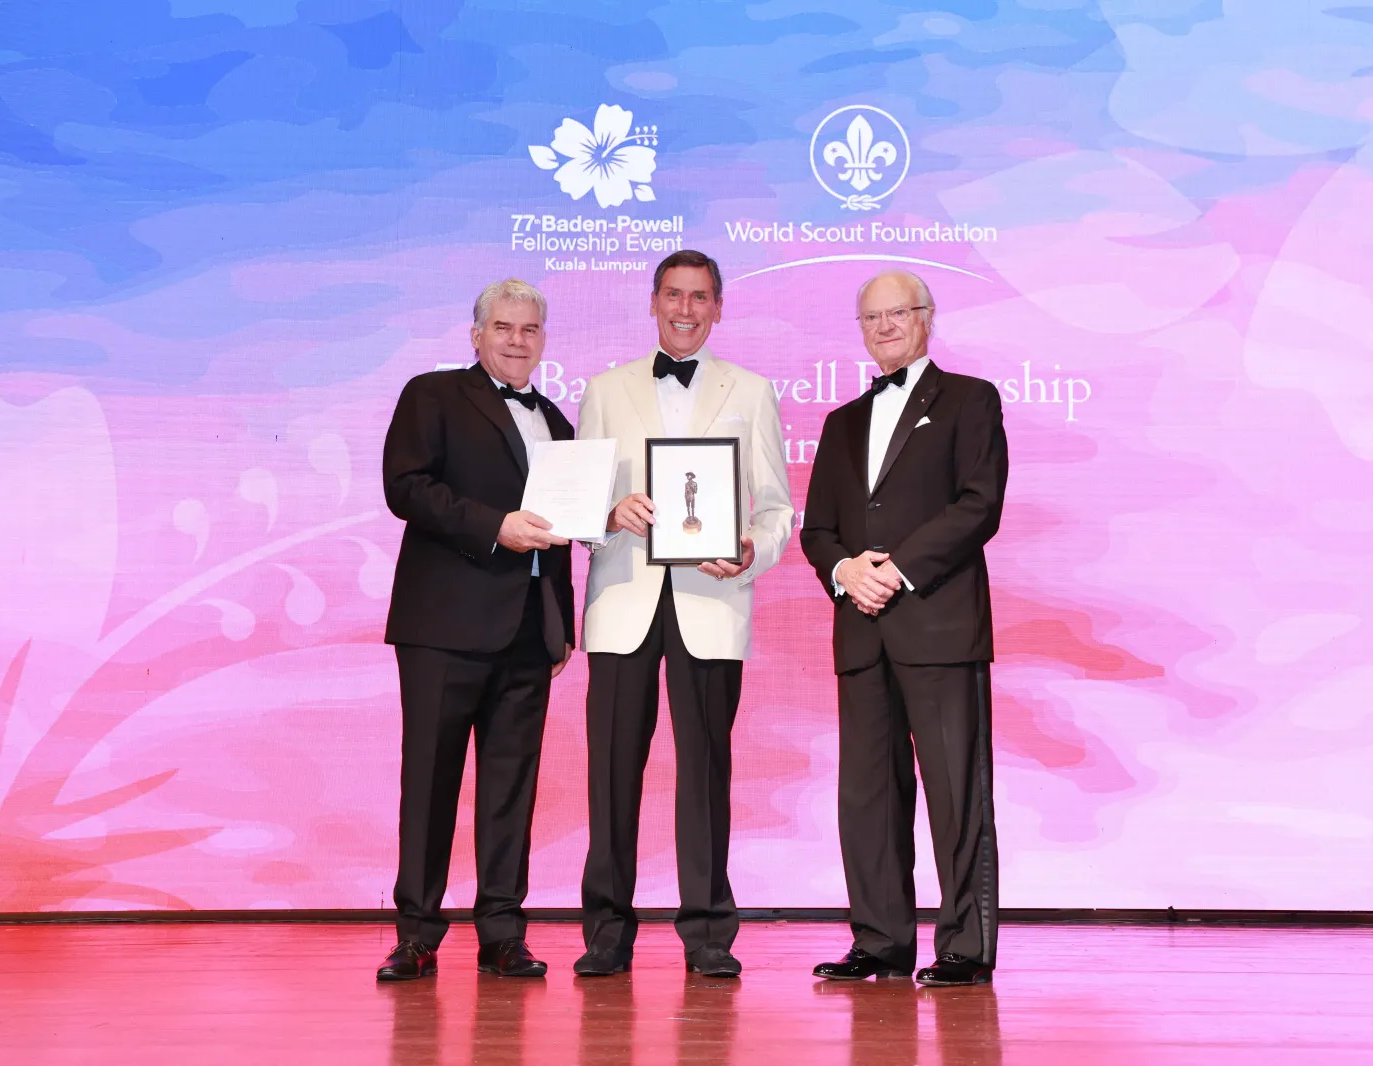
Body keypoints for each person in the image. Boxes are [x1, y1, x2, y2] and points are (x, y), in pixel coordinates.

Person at [572, 249, 793, 978]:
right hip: (622, 601)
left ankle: (707, 934)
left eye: (700, 297)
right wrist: (608, 514)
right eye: (673, 294)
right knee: (612, 773)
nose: (685, 309)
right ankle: (606, 931)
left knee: (705, 772)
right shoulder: (604, 390)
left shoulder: (751, 391)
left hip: (711, 598)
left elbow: (776, 508)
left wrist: (749, 551)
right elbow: (578, 505)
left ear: (718, 307)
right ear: (653, 301)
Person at [799, 269, 1008, 987]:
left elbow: (978, 504)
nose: (885, 326)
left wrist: (897, 570)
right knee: (867, 797)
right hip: (861, 632)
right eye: (871, 317)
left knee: (956, 793)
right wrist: (844, 570)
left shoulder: (970, 400)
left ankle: (964, 948)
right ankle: (880, 942)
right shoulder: (841, 422)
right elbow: (818, 529)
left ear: (926, 317)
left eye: (898, 312)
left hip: (939, 625)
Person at [376, 278, 575, 981]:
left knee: (512, 787)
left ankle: (502, 932)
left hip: (528, 629)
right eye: (503, 327)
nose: (517, 340)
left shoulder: (557, 421)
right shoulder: (431, 395)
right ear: (476, 335)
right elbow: (405, 486)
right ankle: (416, 933)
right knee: (429, 781)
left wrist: (561, 623)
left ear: (543, 339)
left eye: (529, 329)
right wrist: (495, 526)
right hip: (443, 626)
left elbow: (562, 530)